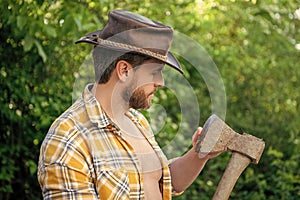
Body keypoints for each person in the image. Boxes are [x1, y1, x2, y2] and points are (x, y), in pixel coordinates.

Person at [38, 10, 218, 199]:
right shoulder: (69, 141)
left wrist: (199, 154)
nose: (161, 82)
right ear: (124, 70)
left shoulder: (137, 122)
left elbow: (160, 183)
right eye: (154, 72)